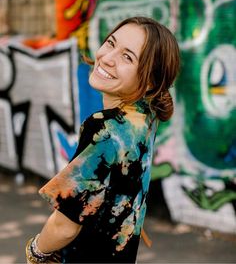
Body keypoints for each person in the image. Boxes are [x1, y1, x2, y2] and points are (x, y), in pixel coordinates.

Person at [25, 16, 180, 263]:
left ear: (150, 80)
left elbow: (65, 227)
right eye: (110, 43)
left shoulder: (105, 127)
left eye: (127, 57)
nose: (107, 58)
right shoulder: (144, 118)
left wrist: (35, 251)